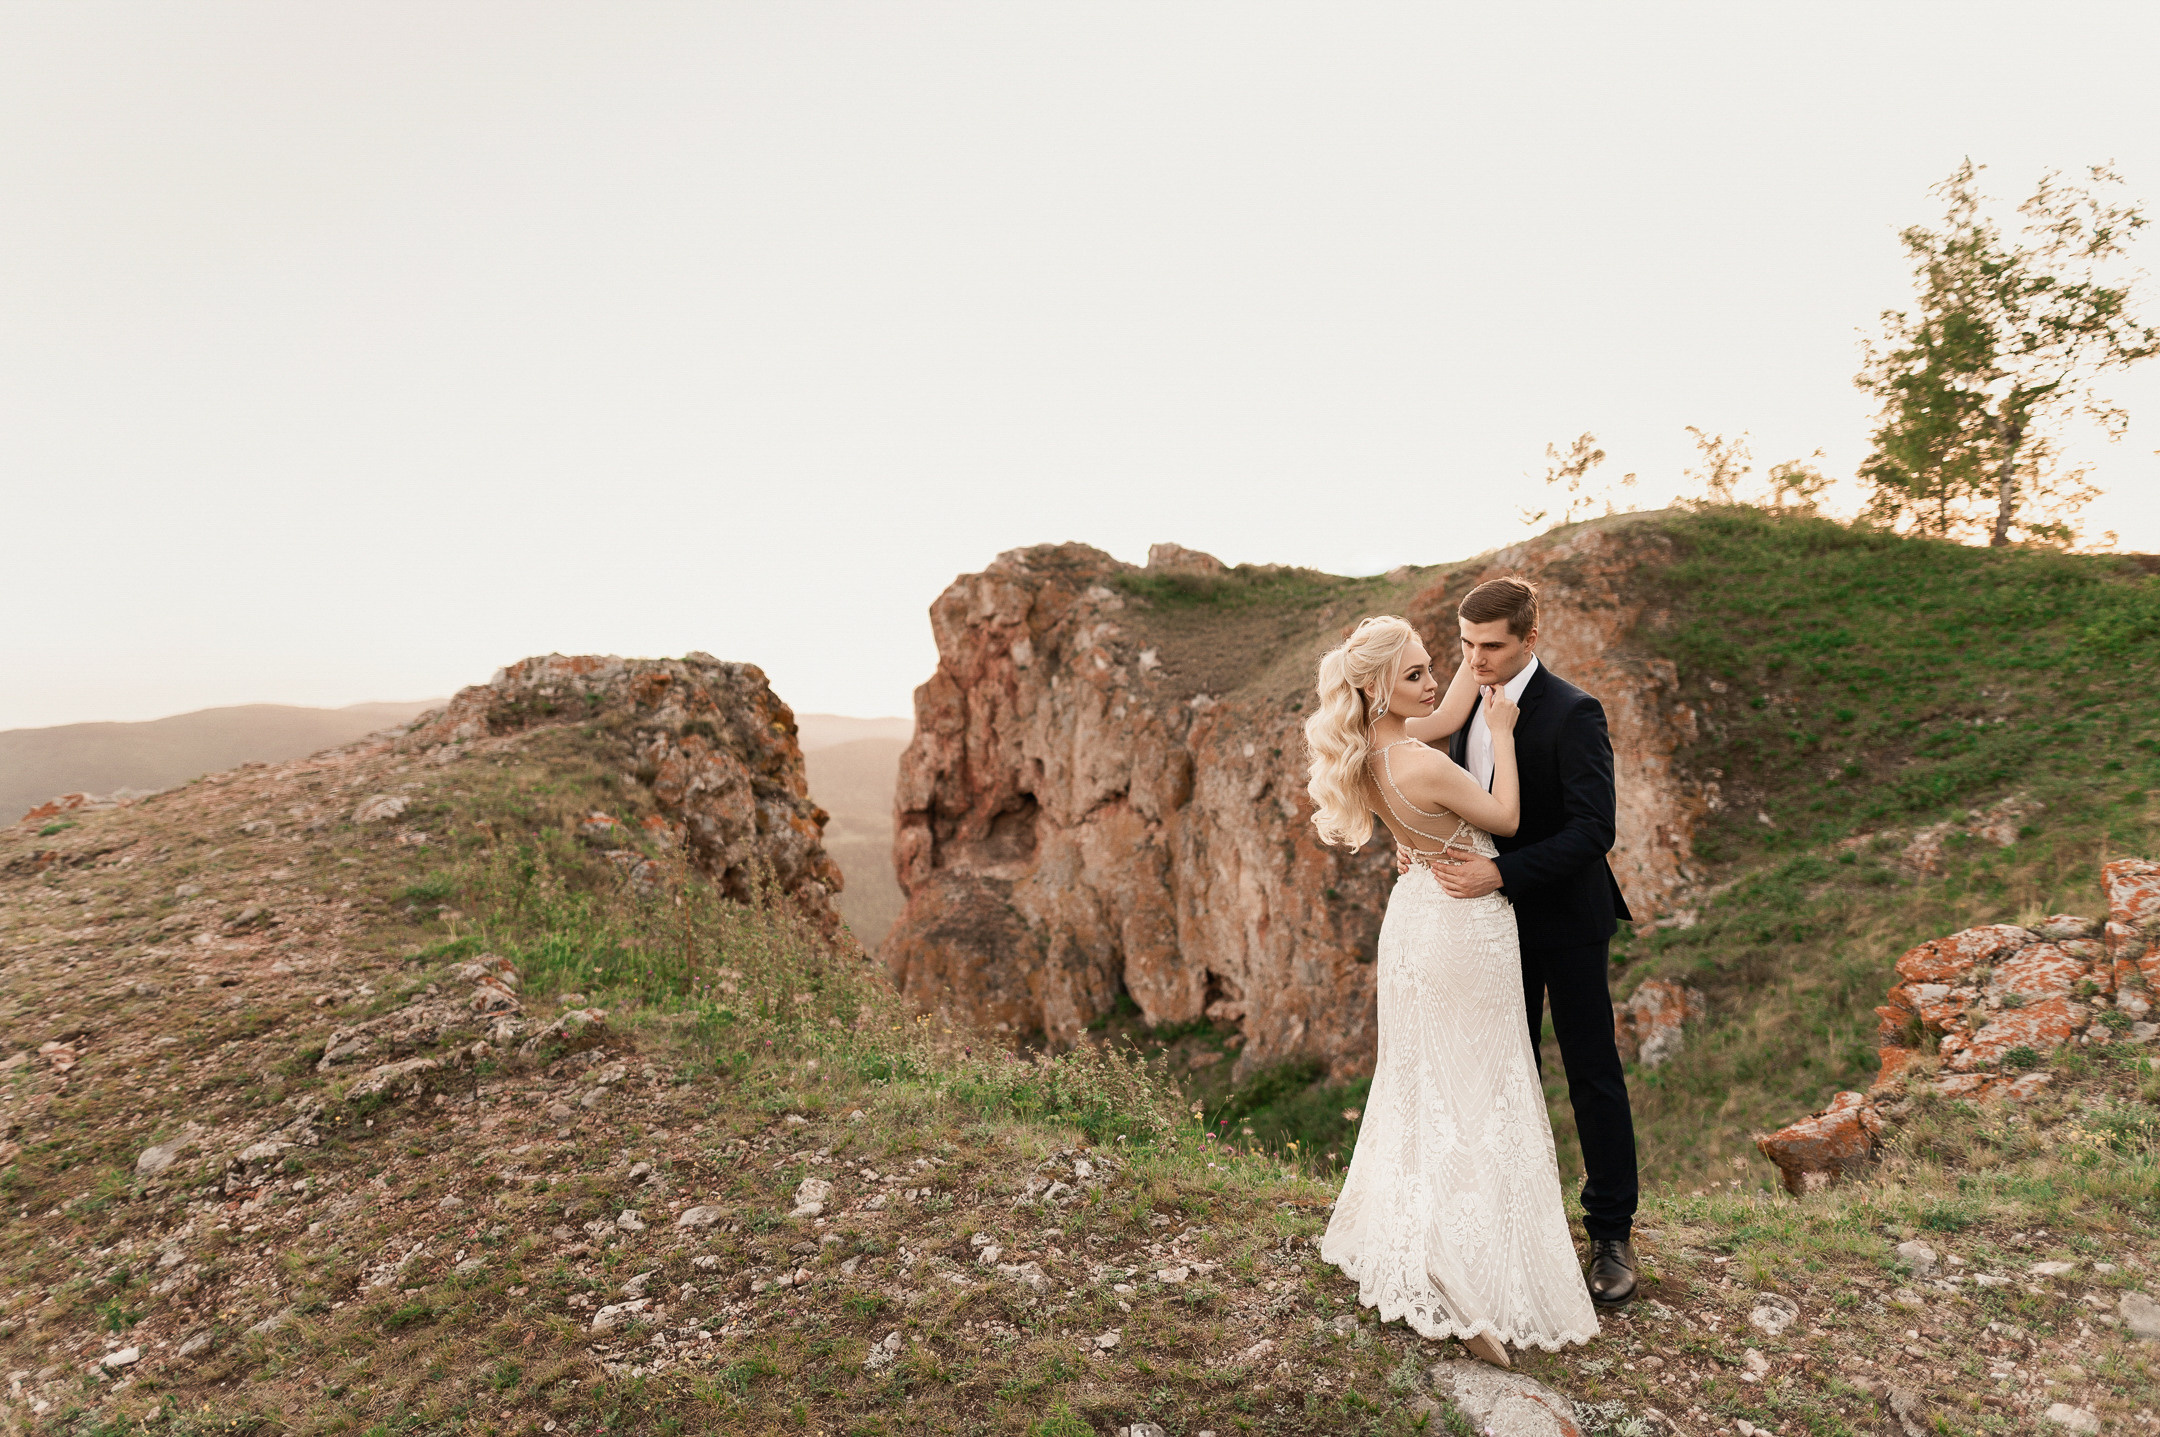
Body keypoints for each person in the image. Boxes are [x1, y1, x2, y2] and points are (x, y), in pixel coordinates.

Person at [1307, 614, 1599, 1369]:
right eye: (1416, 674)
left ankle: (1427, 1237)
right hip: (1465, 921)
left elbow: (1442, 710)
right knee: (1481, 1085)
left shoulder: (1370, 751)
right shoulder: (1421, 762)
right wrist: (1500, 730)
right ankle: (1463, 1272)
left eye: (1439, 663)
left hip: (1414, 918)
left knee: (1423, 1085)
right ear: (1380, 690)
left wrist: (1476, 646)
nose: (1435, 680)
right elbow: (1505, 816)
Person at [1401, 576, 1640, 1307]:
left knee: (1591, 1071)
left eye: (1492, 646)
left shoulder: (1573, 711)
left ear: (1530, 638)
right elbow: (1451, 798)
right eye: (1466, 644)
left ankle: (1611, 1235)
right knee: (1505, 1073)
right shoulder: (1465, 703)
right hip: (1485, 925)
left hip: (1565, 919)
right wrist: (1418, 843)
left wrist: (1501, 873)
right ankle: (1515, 1230)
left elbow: (1593, 830)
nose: (1476, 660)